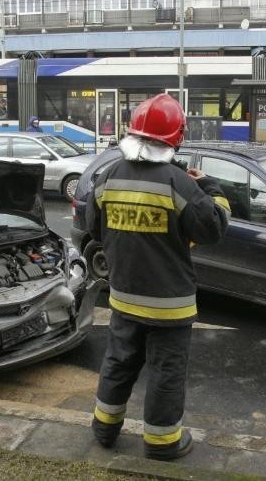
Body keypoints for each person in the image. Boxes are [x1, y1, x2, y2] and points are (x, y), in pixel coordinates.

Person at [87, 94, 230, 461]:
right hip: (169, 307)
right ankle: (163, 442)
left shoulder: (106, 177)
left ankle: (104, 429)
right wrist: (211, 188)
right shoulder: (179, 183)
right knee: (166, 373)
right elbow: (213, 227)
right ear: (175, 138)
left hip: (123, 298)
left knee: (118, 363)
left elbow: (96, 230)